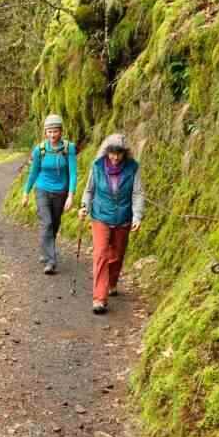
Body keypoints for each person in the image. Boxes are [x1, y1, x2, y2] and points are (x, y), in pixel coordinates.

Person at [79, 133, 144, 314]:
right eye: (112, 153)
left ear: (125, 153)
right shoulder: (97, 166)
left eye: (119, 153)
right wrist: (84, 206)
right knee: (100, 254)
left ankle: (112, 283)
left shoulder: (133, 168)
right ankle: (99, 298)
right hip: (100, 216)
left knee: (117, 255)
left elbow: (137, 193)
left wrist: (137, 216)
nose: (115, 157)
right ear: (106, 152)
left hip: (123, 217)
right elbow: (89, 190)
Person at [20, 114, 77, 274]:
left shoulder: (68, 148)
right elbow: (33, 172)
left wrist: (71, 195)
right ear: (45, 132)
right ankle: (51, 261)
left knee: (55, 223)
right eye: (49, 131)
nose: (52, 135)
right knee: (47, 222)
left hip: (61, 191)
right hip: (42, 189)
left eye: (56, 131)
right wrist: (25, 192)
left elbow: (73, 173)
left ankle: (45, 249)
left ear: (61, 131)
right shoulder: (40, 150)